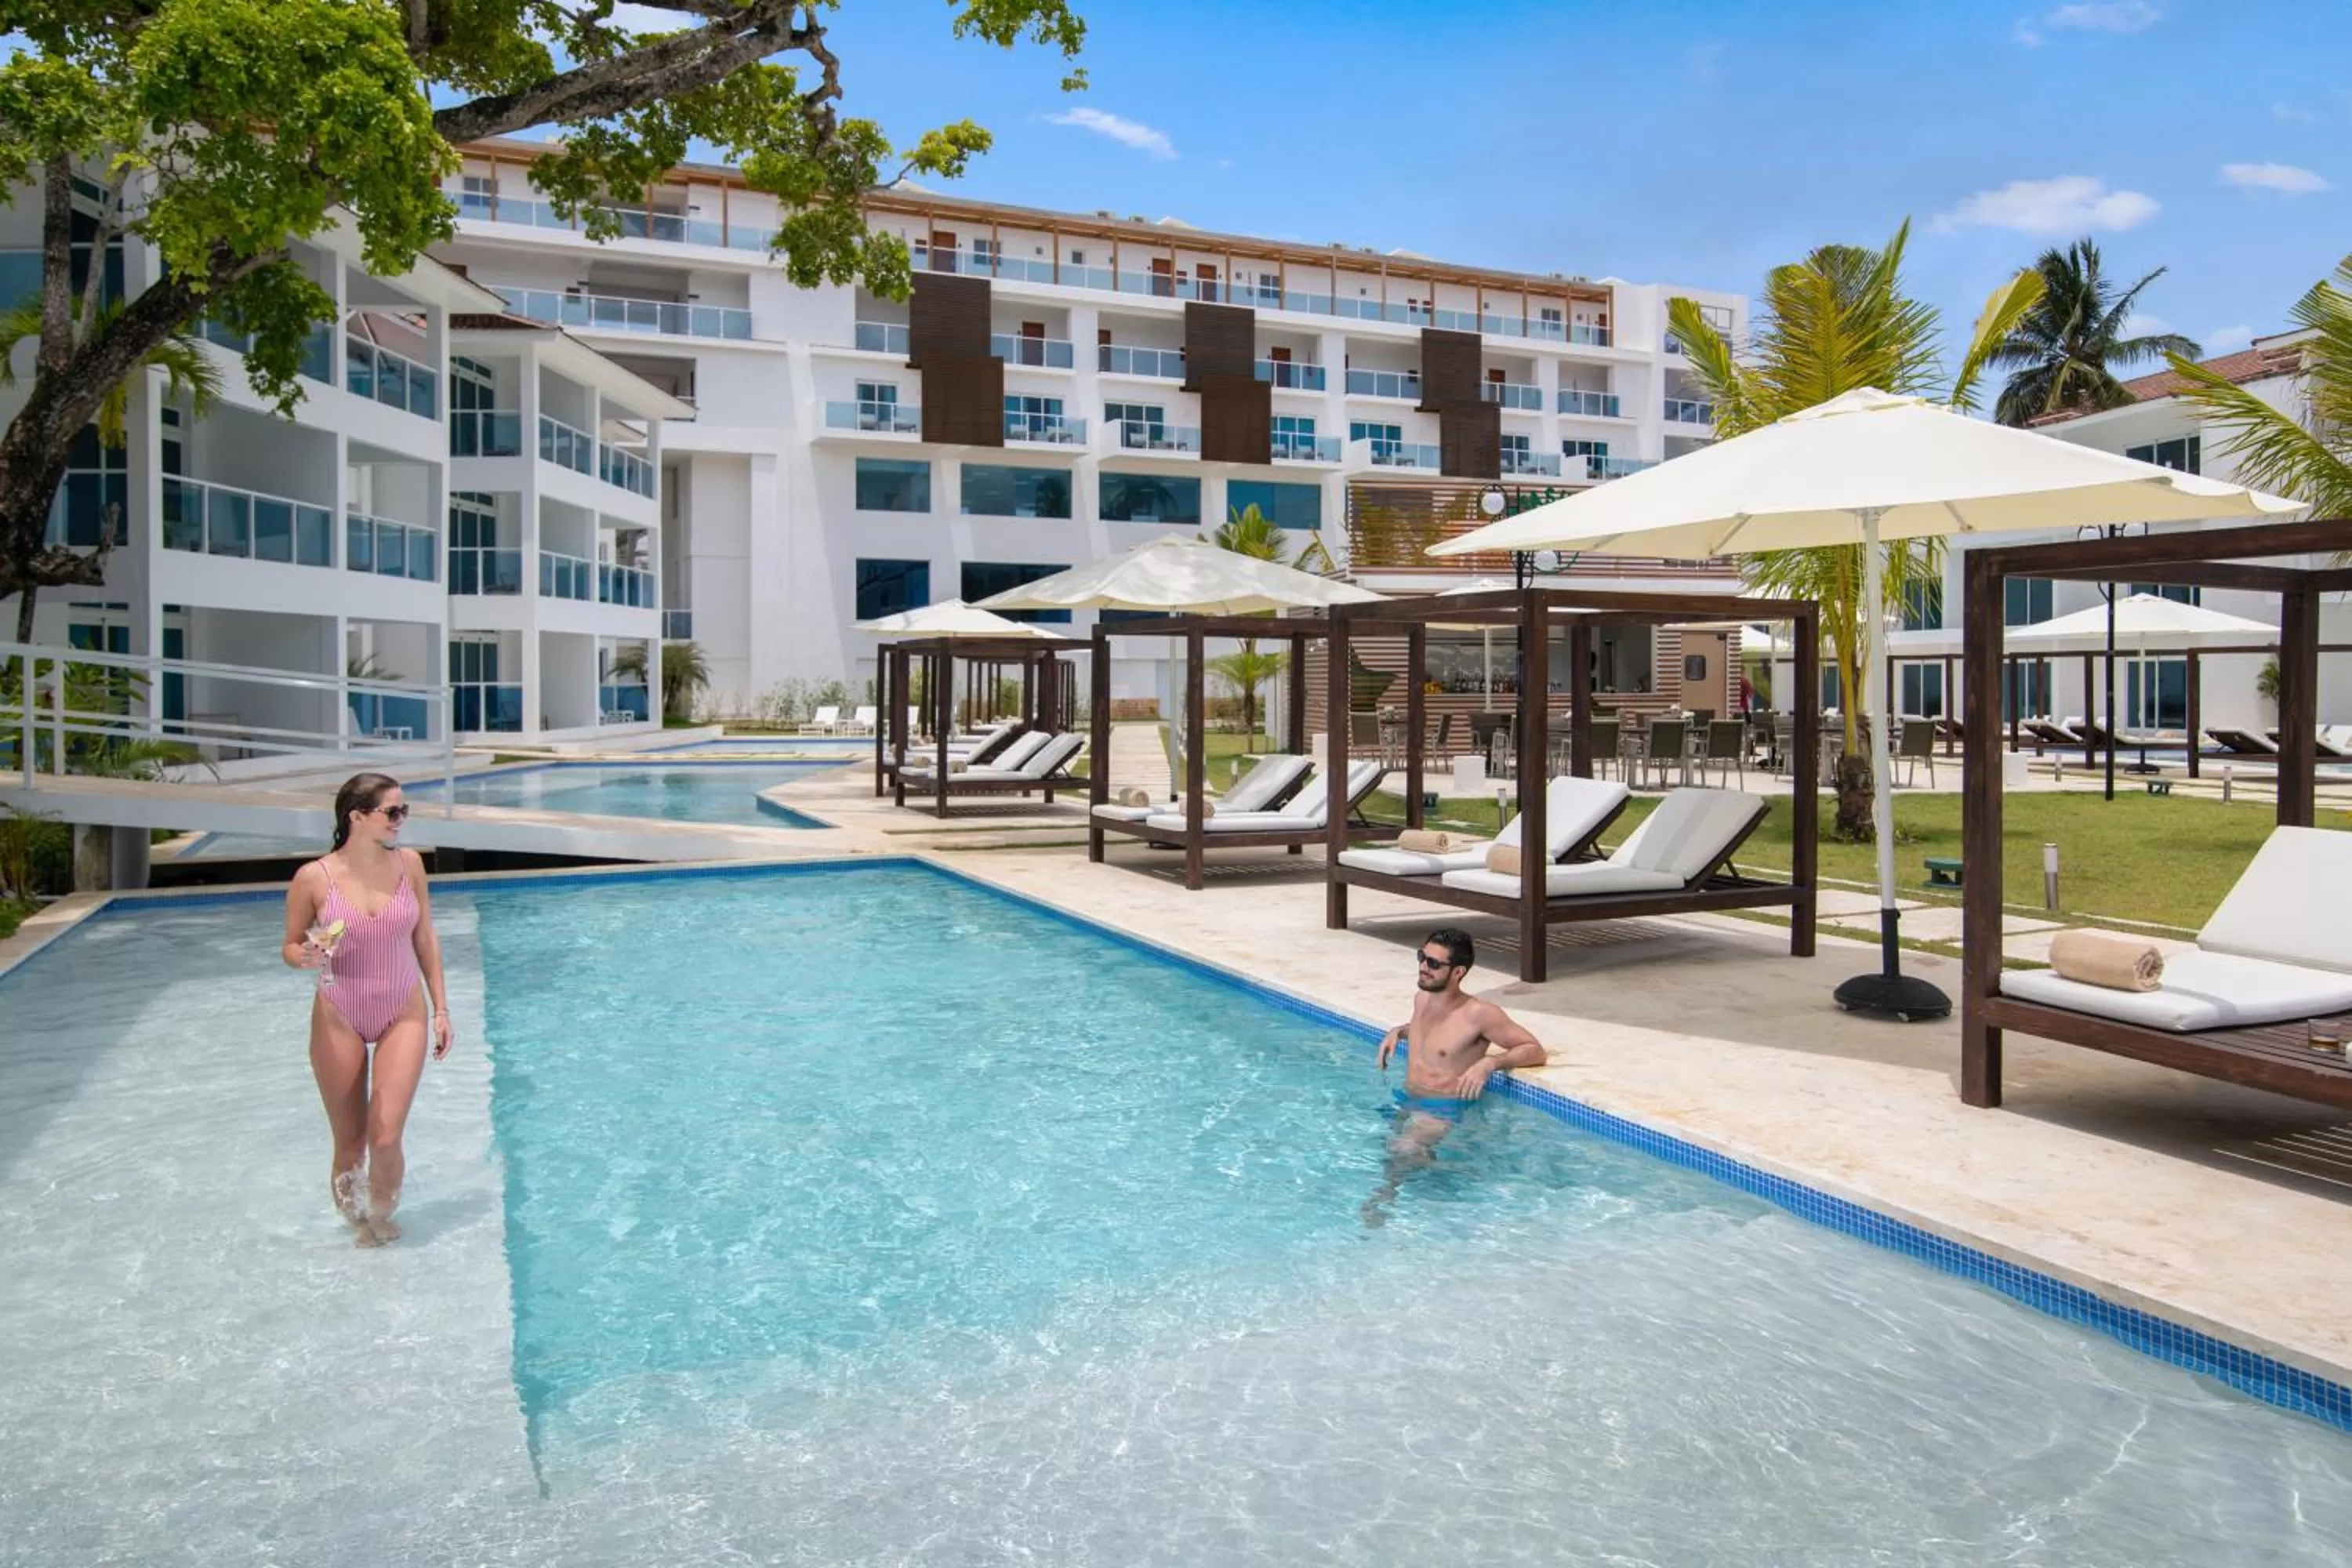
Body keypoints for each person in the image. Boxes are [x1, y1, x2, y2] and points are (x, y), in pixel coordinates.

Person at [281, 772, 453, 1246]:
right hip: (340, 1010)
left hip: (403, 1007)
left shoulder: (410, 865)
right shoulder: (314, 878)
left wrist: (441, 1008)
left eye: (404, 812)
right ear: (357, 817)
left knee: (384, 1137)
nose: (401, 821)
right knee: (351, 1143)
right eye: (392, 812)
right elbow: (290, 947)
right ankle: (354, 1223)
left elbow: (425, 937)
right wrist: (305, 956)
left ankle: (380, 1216)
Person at [1360, 927, 1547, 1227]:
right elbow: (1434, 1035)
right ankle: (1435, 1173)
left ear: (1458, 972)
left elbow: (1534, 1049)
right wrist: (1400, 1031)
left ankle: (1387, 1196)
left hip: (1445, 1108)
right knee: (1391, 1146)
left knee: (1404, 1150)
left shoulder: (1480, 1014)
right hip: (1409, 1099)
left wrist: (1490, 1063)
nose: (1423, 967)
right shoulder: (1423, 998)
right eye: (1422, 957)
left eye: (1434, 964)